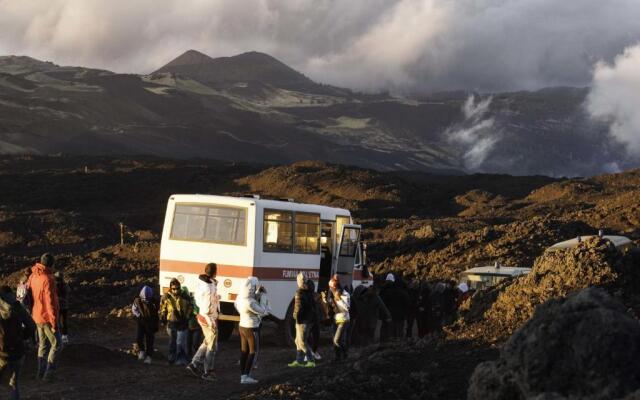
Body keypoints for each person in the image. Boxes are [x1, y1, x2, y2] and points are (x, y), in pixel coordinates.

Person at [27, 253, 59, 381]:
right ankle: (48, 374)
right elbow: (50, 303)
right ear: (51, 264)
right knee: (57, 344)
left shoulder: (33, 275)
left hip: (36, 315)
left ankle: (40, 373)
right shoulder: (48, 279)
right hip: (46, 317)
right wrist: (55, 323)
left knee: (43, 345)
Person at [0, 286, 35, 400]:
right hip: (17, 350)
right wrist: (22, 337)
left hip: (1, 352)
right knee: (14, 384)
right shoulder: (18, 307)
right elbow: (32, 326)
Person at [186, 263, 219, 381]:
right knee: (212, 346)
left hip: (204, 317)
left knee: (207, 341)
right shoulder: (208, 288)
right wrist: (211, 323)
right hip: (208, 318)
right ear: (215, 272)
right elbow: (206, 308)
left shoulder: (205, 283)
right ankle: (207, 372)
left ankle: (194, 364)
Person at [234, 277, 268, 384]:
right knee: (253, 352)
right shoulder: (250, 302)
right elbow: (263, 311)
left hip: (242, 326)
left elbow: (249, 300)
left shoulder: (240, 299)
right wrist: (263, 295)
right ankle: (246, 376)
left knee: (244, 351)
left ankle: (243, 375)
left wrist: (257, 294)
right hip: (251, 328)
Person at [160, 279, 192, 365]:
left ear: (180, 288)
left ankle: (181, 360)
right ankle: (171, 358)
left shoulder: (185, 296)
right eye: (173, 288)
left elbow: (190, 307)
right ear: (170, 288)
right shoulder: (166, 297)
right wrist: (163, 318)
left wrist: (187, 316)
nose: (175, 290)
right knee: (172, 342)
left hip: (183, 323)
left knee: (180, 342)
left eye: (177, 288)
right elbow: (163, 308)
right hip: (171, 323)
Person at [288, 273, 316, 368]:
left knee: (302, 342)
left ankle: (311, 360)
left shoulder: (299, 292)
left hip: (302, 320)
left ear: (299, 281)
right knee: (297, 340)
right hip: (310, 319)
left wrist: (295, 317)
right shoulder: (310, 289)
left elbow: (298, 308)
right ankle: (299, 360)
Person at [379, 273, 411, 342]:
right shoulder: (404, 292)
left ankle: (387, 343)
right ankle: (398, 343)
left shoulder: (386, 291)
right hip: (400, 315)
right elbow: (408, 304)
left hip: (389, 314)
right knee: (399, 331)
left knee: (389, 332)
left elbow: (382, 303)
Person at [132, 285, 159, 365]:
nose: (146, 301)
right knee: (138, 337)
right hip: (141, 321)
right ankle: (142, 351)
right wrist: (139, 316)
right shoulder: (137, 301)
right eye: (144, 299)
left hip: (151, 322)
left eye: (148, 299)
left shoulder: (154, 302)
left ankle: (149, 356)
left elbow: (157, 312)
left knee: (150, 339)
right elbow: (134, 309)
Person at [328, 277, 350, 361]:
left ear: (335, 287)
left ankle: (345, 353)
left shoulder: (345, 294)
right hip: (336, 319)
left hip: (343, 320)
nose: (330, 289)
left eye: (331, 287)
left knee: (336, 340)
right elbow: (332, 308)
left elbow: (347, 308)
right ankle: (338, 357)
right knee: (337, 340)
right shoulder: (332, 294)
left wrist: (339, 299)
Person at [253, 283, 271, 369]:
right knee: (254, 345)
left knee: (252, 345)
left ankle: (251, 361)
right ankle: (252, 362)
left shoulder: (249, 298)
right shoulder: (260, 297)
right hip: (253, 324)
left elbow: (267, 310)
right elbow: (266, 310)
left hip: (250, 324)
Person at [181, 286, 201, 360]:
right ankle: (190, 359)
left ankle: (198, 358)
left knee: (195, 345)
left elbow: (198, 311)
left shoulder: (194, 302)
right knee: (188, 345)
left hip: (197, 326)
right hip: (188, 326)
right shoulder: (181, 303)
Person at [306, 279, 323, 361]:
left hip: (311, 320)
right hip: (313, 319)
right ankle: (312, 352)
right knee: (314, 336)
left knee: (309, 337)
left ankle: (311, 353)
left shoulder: (307, 296)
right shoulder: (315, 296)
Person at [54, 270, 70, 345]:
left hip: (58, 306)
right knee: (63, 321)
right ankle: (64, 336)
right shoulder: (65, 285)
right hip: (64, 306)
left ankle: (58, 336)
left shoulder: (55, 285)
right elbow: (68, 292)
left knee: (57, 321)